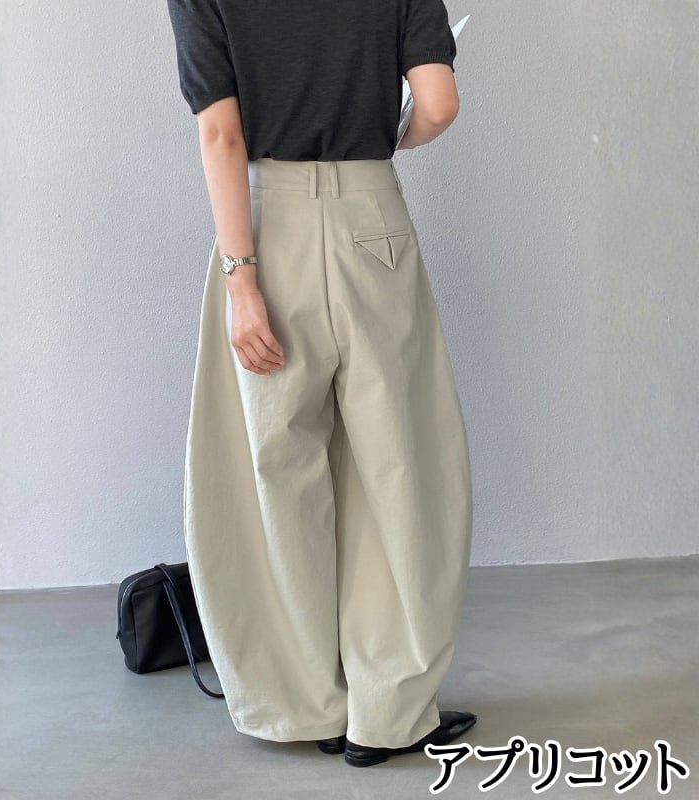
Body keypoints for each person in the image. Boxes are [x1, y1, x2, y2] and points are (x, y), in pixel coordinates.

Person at [166, 0, 477, 768]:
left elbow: (221, 133)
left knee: (273, 473)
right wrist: (389, 141)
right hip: (375, 220)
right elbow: (438, 103)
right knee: (399, 467)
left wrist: (242, 281)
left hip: (265, 231)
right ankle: (390, 713)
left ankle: (303, 703)